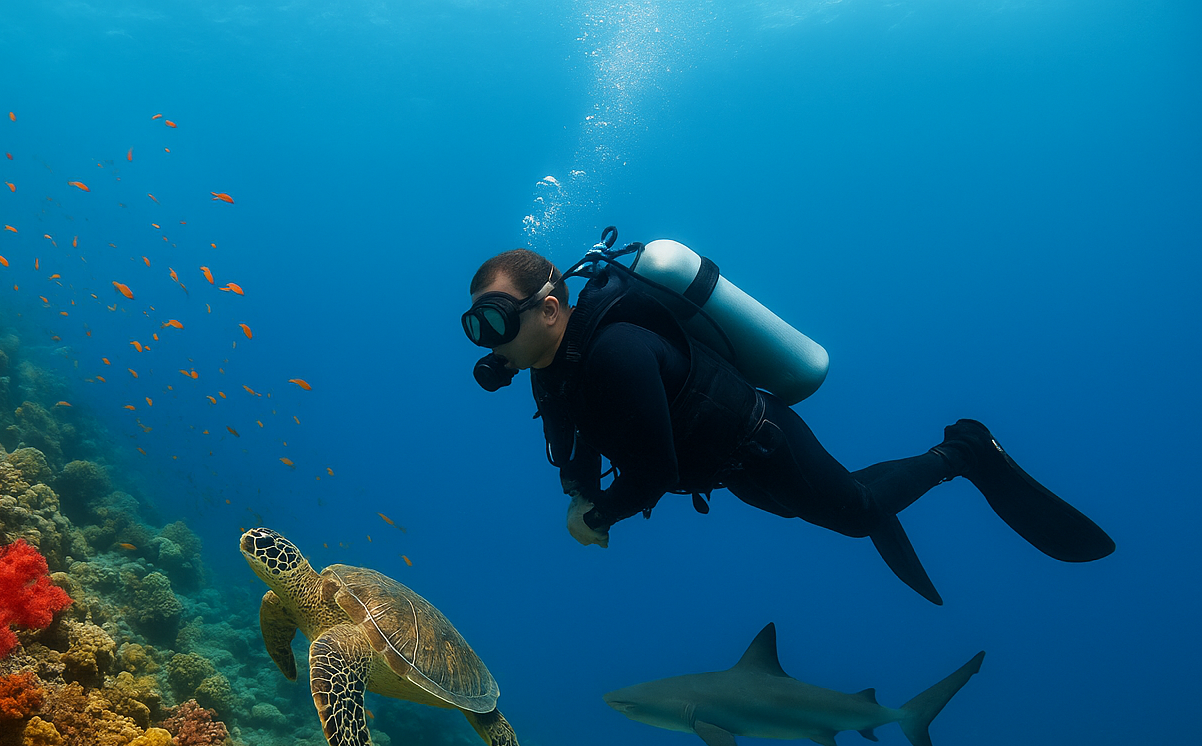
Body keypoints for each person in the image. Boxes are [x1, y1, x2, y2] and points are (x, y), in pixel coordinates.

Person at [462, 247, 1114, 604]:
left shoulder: (615, 352)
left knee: (855, 513)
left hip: (762, 440)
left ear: (550, 310)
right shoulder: (553, 366)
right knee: (825, 504)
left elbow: (653, 470)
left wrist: (601, 518)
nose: (485, 341)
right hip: (726, 467)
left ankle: (963, 450)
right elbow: (569, 438)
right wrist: (581, 493)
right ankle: (867, 487)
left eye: (493, 321)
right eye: (475, 326)